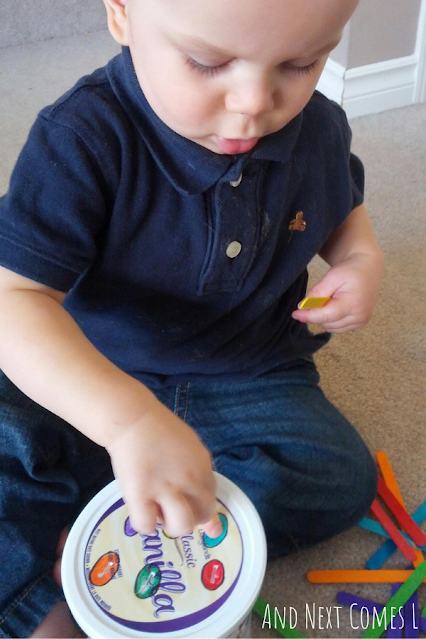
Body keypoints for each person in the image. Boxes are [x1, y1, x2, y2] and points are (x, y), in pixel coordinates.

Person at [0, 0, 385, 636]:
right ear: (122, 15)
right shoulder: (82, 136)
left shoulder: (317, 128)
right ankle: (44, 603)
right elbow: (15, 301)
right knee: (13, 441)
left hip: (246, 366)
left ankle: (147, 529)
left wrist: (361, 260)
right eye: (207, 63)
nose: (254, 103)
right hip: (94, 366)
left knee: (338, 473)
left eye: (301, 62)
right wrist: (126, 426)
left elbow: (343, 209)